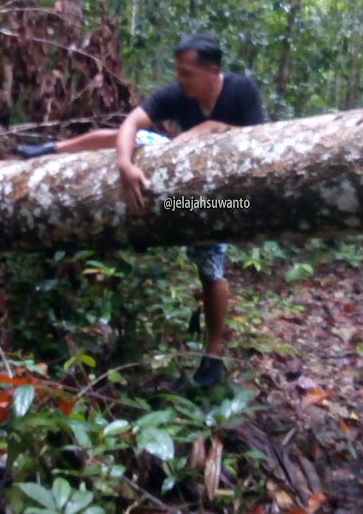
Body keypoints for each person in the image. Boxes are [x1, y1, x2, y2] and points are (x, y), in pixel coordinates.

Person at [17, 34, 265, 387]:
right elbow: (131, 123)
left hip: (220, 198)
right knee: (132, 139)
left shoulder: (242, 91)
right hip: (175, 173)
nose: (180, 80)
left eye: (187, 73)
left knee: (211, 268)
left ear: (213, 70)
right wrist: (124, 164)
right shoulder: (178, 93)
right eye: (178, 72)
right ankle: (51, 149)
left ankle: (212, 357)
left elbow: (265, 142)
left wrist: (210, 128)